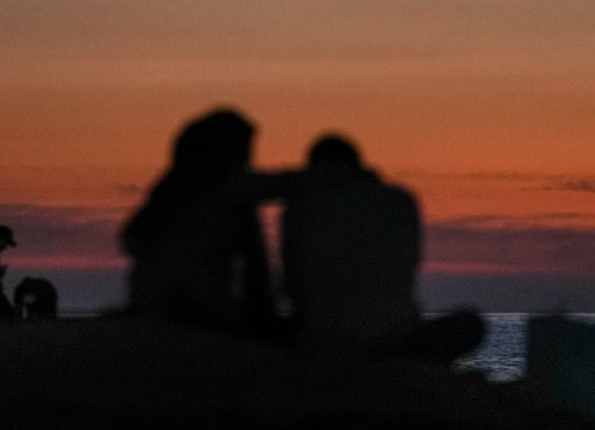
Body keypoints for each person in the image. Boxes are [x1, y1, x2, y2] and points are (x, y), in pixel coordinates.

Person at [281, 135, 484, 361]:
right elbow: (410, 264)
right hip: (394, 338)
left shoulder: (301, 206)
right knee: (470, 323)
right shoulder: (399, 200)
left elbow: (293, 282)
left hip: (325, 341)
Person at [120, 107, 292, 334]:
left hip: (152, 302)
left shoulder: (169, 189)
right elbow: (286, 184)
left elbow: (131, 238)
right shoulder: (225, 189)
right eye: (245, 150)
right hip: (193, 308)